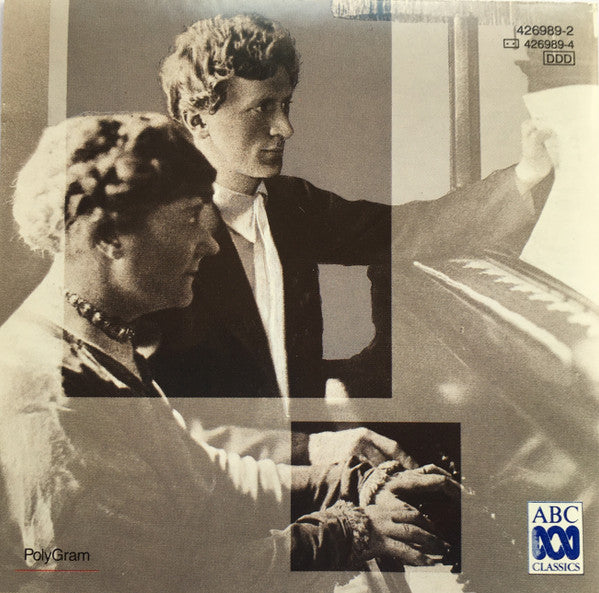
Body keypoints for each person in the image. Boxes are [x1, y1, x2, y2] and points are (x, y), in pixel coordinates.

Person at [0, 113, 460, 593]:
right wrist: (351, 533)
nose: (210, 244)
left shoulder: (103, 337)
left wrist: (346, 482)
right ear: (110, 236)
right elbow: (170, 582)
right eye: (189, 218)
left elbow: (203, 478)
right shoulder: (51, 397)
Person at [150, 13, 553, 404]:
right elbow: (150, 408)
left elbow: (408, 229)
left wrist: (528, 173)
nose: (285, 127)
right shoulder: (154, 227)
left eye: (285, 104)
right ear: (197, 119)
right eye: (262, 108)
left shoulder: (292, 203)